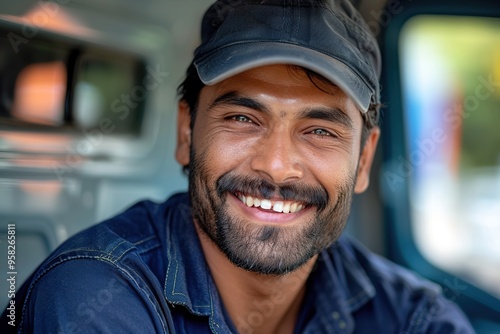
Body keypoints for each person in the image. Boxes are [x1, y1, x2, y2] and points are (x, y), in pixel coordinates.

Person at [2, 0, 475, 333]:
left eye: (320, 131)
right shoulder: (91, 297)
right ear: (187, 133)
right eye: (243, 118)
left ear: (365, 159)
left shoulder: (414, 317)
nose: (276, 166)